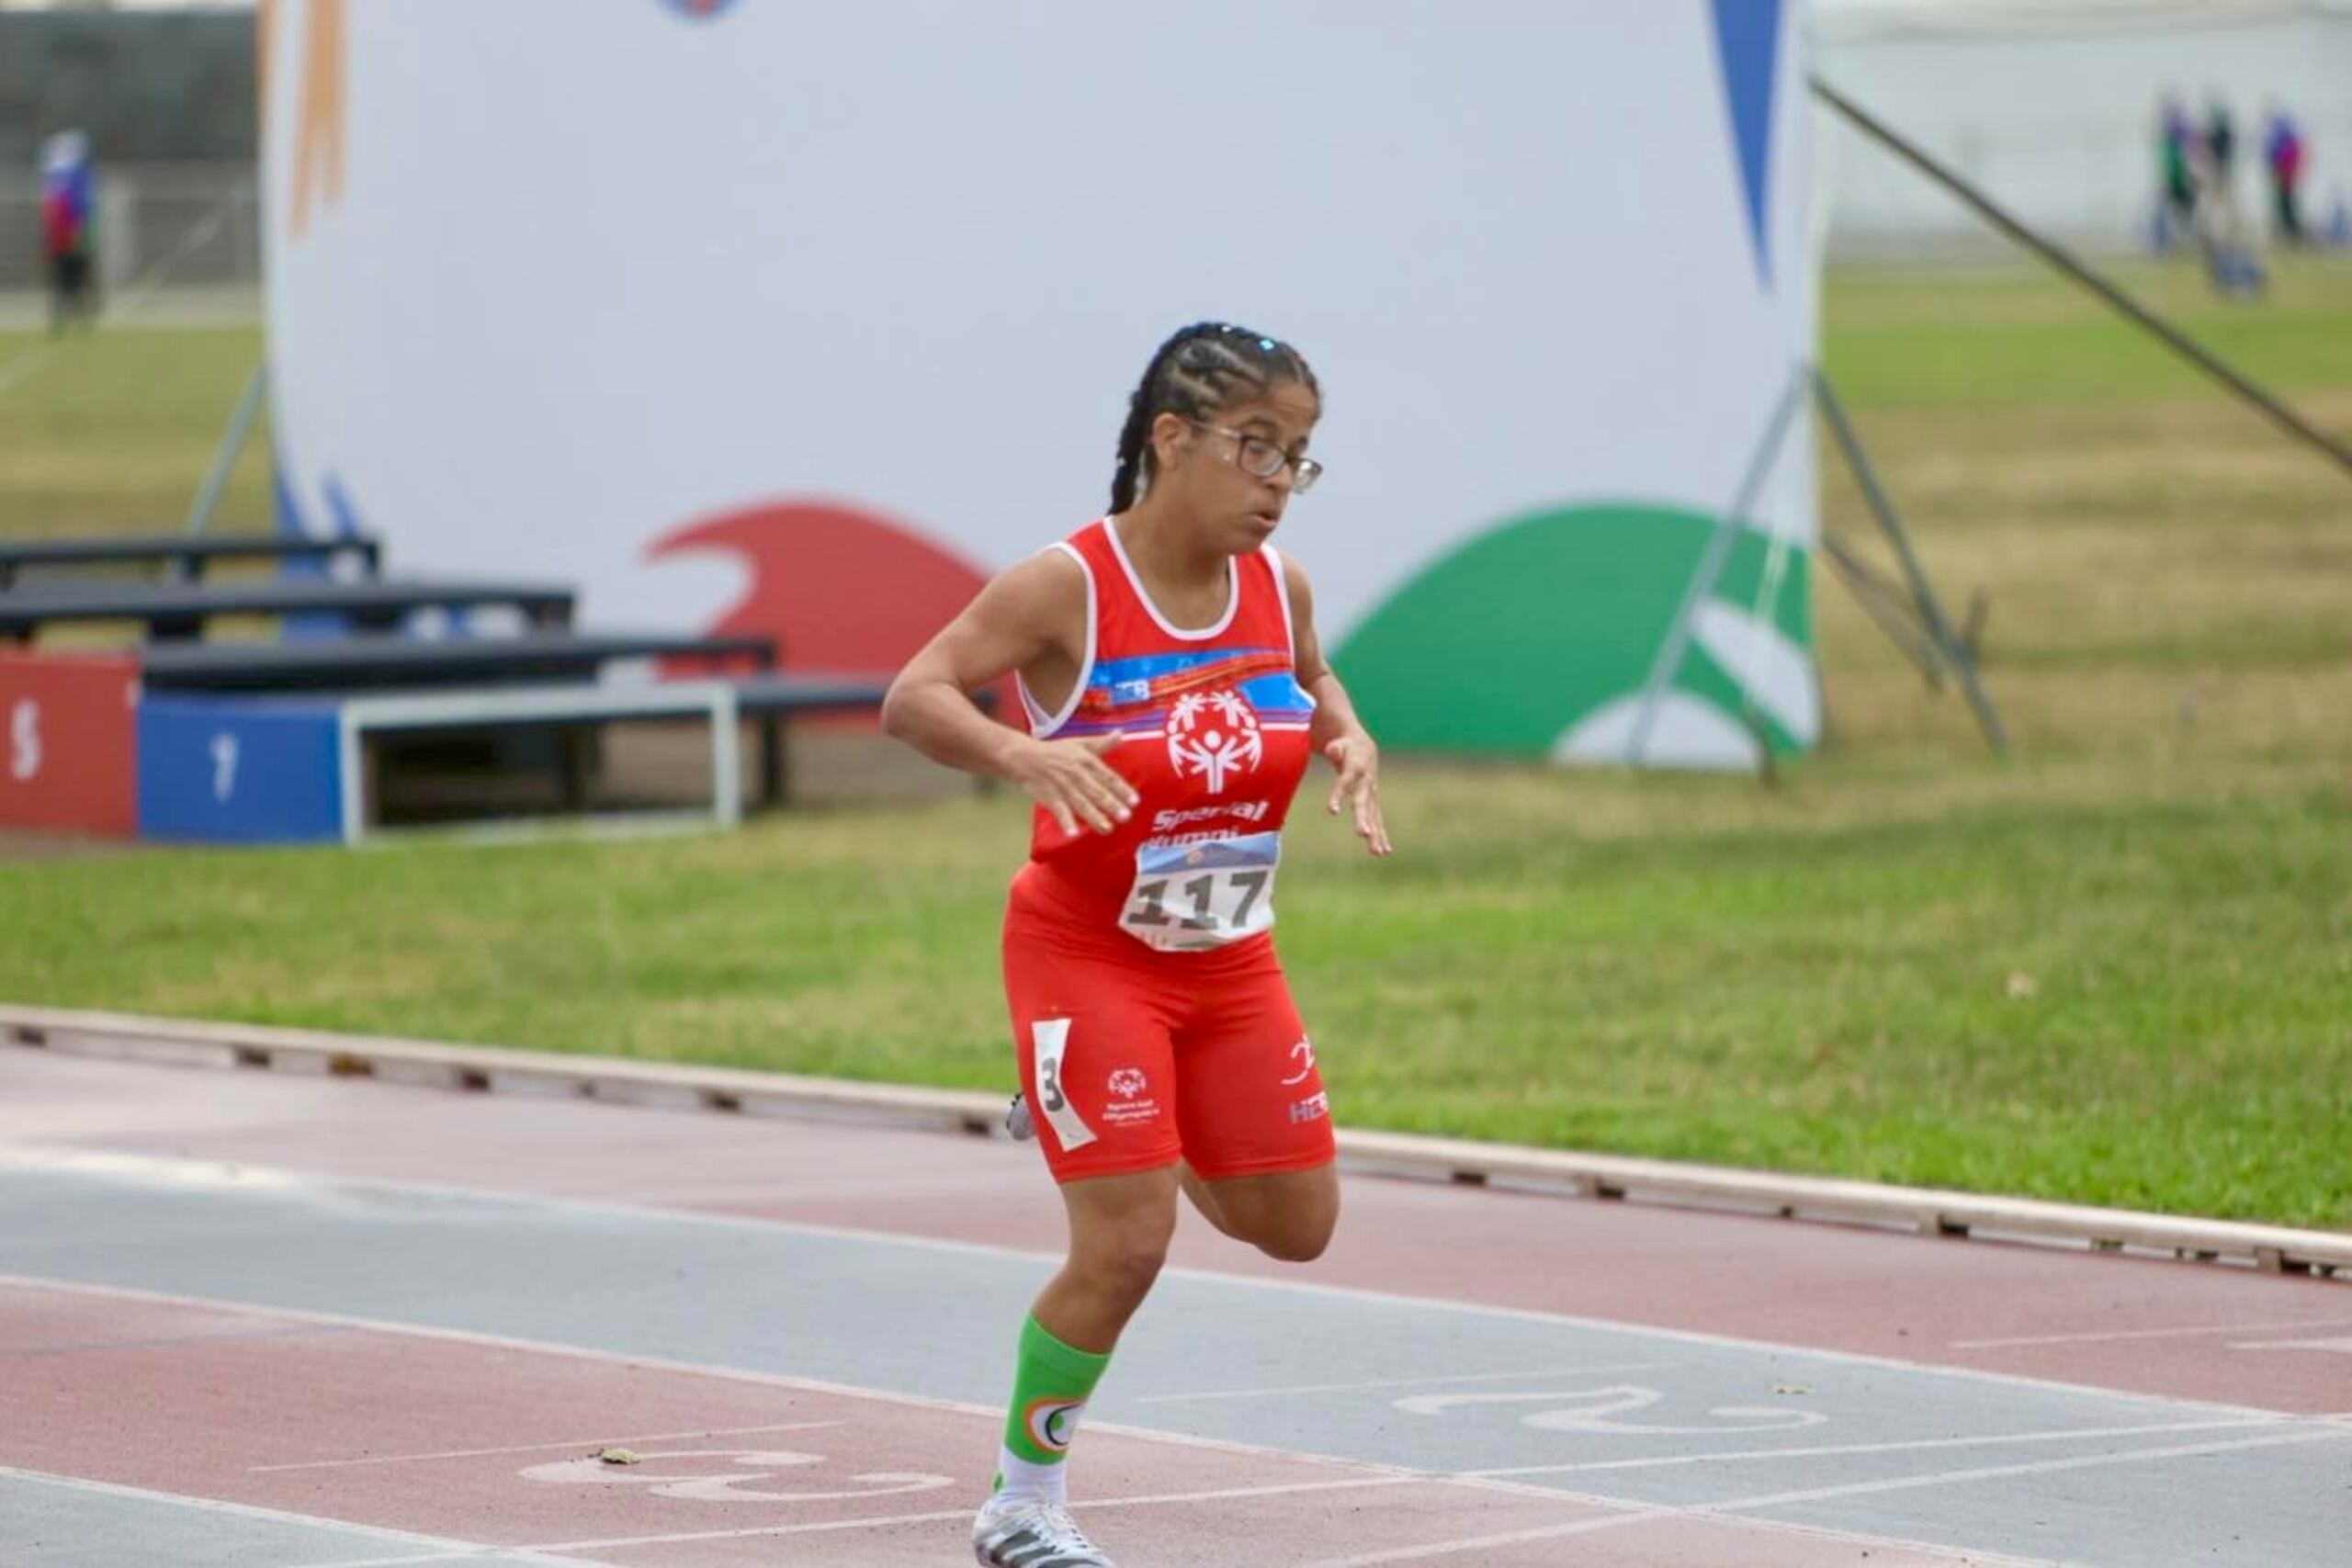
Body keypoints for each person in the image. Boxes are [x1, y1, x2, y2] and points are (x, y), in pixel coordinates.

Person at [881, 321, 1391, 1567]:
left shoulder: (1283, 587)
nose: (1276, 480)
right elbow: (915, 694)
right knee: (1125, 1243)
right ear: (1172, 438)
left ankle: (1113, 1120)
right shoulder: (1072, 586)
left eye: (1299, 457)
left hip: (1229, 961)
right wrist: (1022, 750)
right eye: (1255, 447)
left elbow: (1310, 675)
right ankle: (1021, 1503)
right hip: (1086, 953)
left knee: (1298, 1223)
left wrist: (1349, 732)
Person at [38, 130, 96, 335]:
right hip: (65, 238)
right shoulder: (69, 178)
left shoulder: (59, 178)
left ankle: (72, 317)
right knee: (69, 278)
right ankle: (71, 317)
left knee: (67, 278)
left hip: (65, 238)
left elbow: (78, 209)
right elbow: (78, 209)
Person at [2265, 104, 2308, 248]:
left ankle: (2293, 236)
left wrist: (2281, 172)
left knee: (2286, 206)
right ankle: (2290, 235)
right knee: (2284, 205)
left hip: (2285, 175)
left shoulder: (2285, 135)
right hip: (2284, 174)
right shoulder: (2288, 135)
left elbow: (2282, 157)